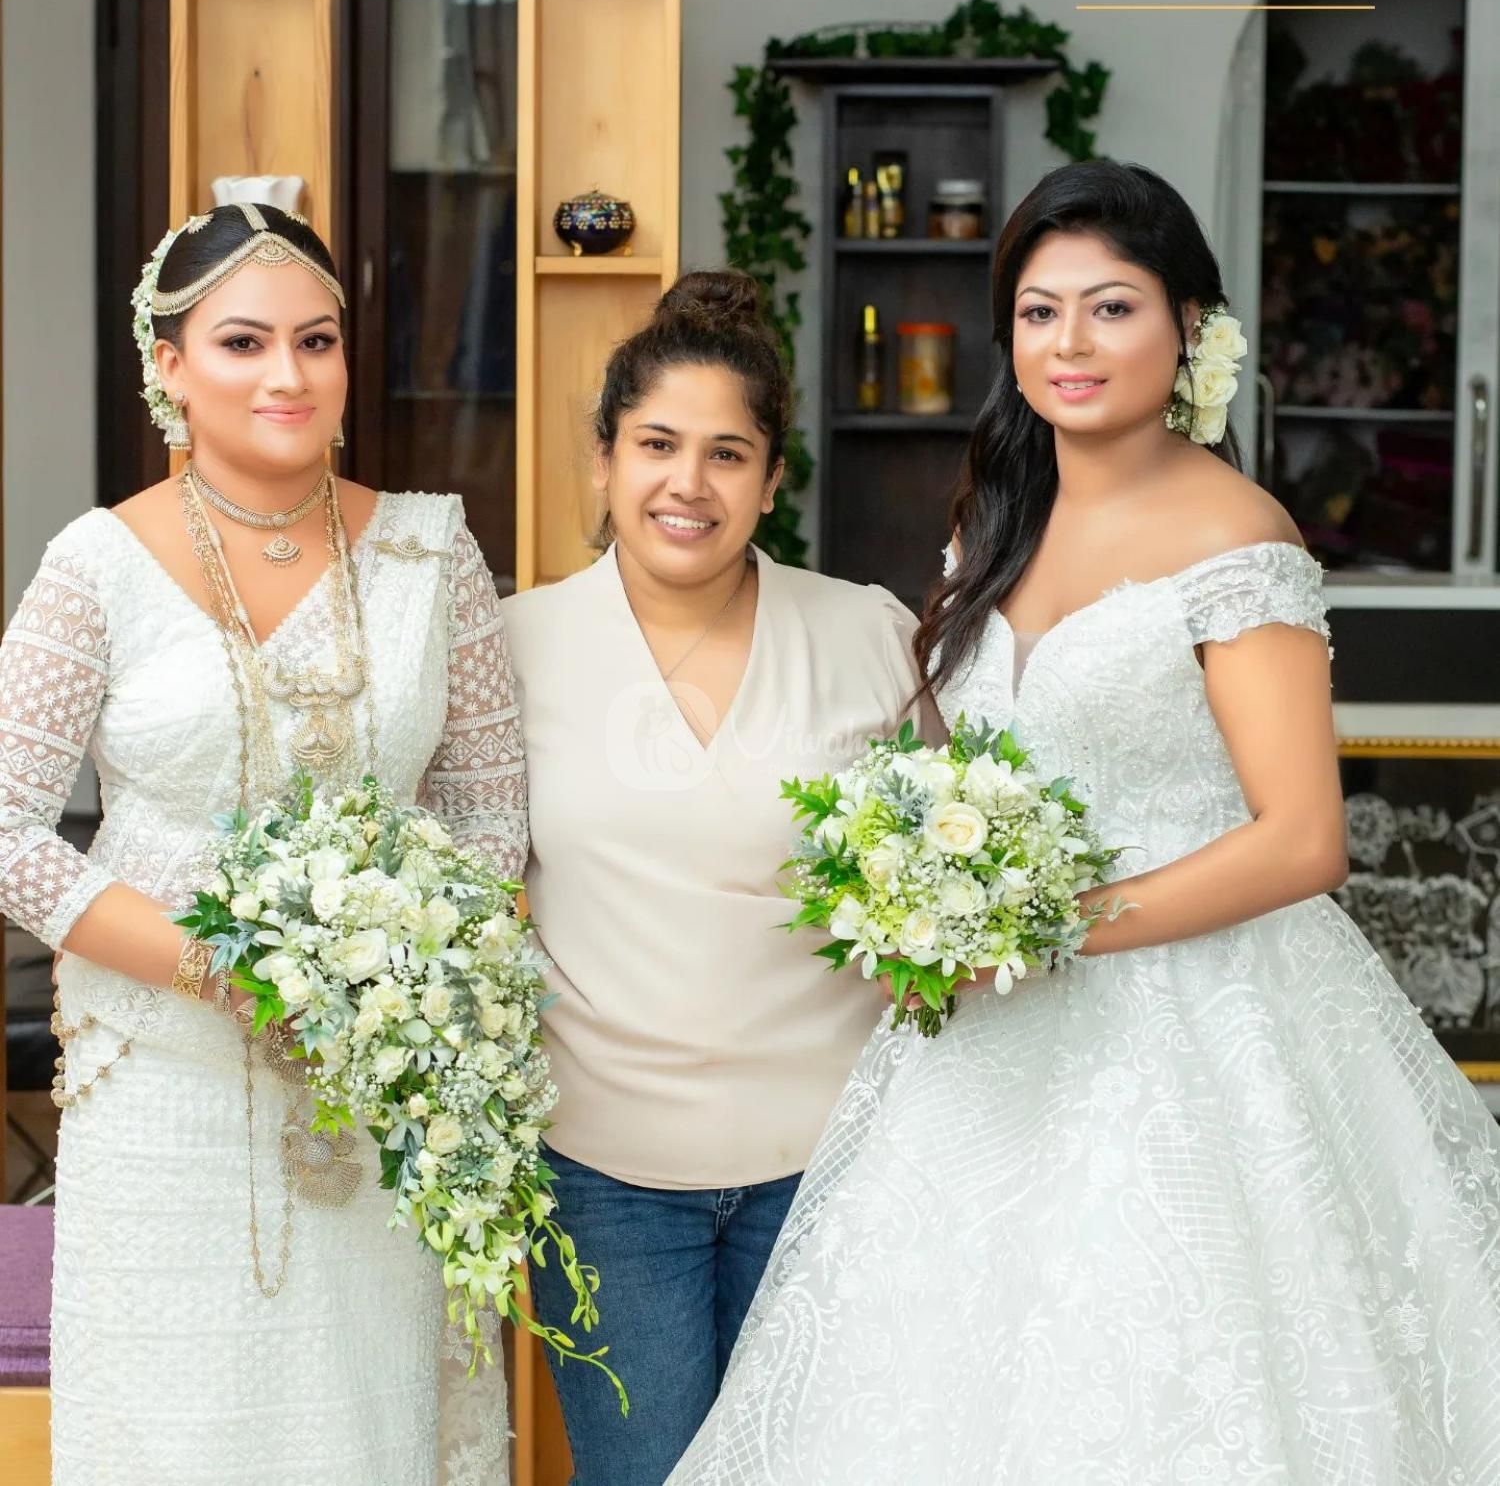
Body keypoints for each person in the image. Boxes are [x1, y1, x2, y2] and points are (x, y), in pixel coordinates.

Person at [668, 162, 1500, 1483]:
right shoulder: (995, 519)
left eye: (1112, 307)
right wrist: (914, 879)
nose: (1072, 343)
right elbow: (961, 766)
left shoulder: (1239, 537)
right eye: (1040, 311)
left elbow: (1303, 837)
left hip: (1197, 1030)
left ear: (1189, 329)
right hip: (994, 1034)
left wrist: (1045, 921)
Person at [0, 202, 524, 1485]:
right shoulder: (97, 566)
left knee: (367, 1423)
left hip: (383, 1085)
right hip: (163, 1083)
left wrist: (394, 978)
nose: (287, 374)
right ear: (169, 365)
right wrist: (217, 969)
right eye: (243, 342)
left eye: (316, 340)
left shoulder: (432, 551)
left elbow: (489, 816)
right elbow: (7, 830)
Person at [501, 269, 944, 1485]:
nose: (687, 484)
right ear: (603, 458)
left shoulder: (868, 633)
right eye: (656, 444)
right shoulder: (511, 645)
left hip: (832, 1162)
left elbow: (950, 869)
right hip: (602, 1173)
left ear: (773, 478)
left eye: (727, 454)